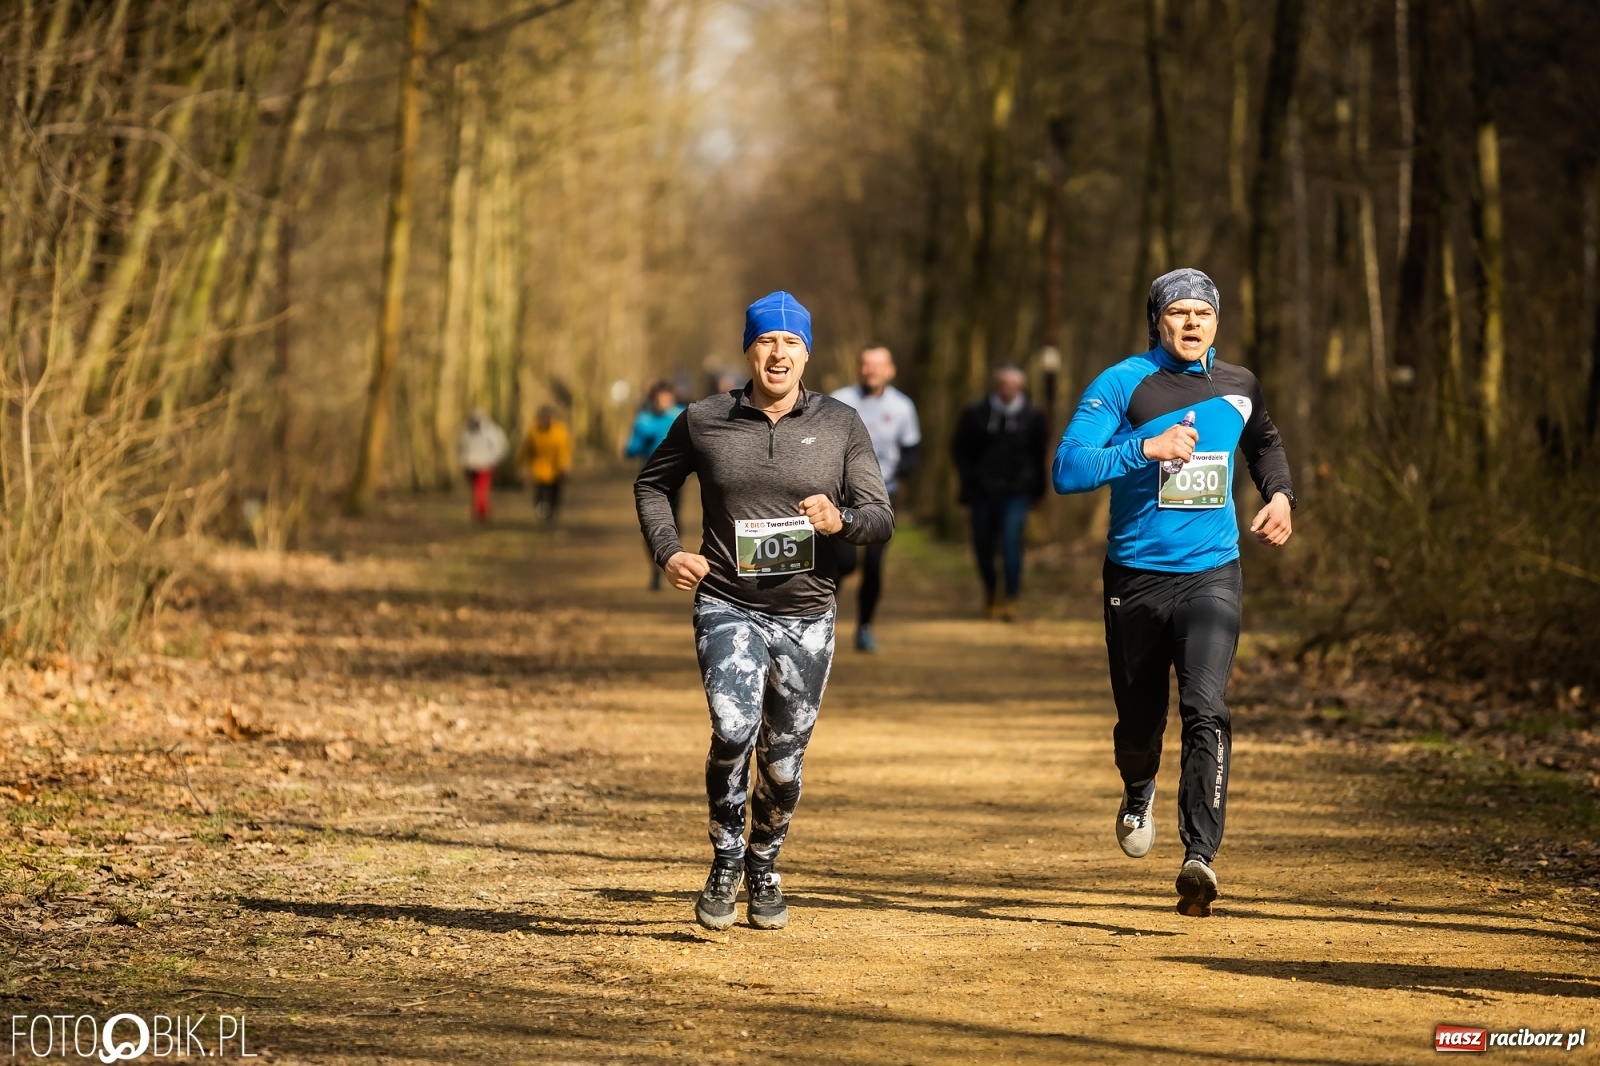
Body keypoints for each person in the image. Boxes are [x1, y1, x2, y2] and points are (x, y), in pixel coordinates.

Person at [634, 291, 893, 931]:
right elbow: (652, 483)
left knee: (782, 759)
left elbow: (881, 516)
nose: (779, 353)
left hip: (807, 612)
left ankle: (764, 863)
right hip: (728, 602)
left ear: (808, 353)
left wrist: (844, 519)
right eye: (767, 341)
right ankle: (725, 857)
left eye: (792, 343)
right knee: (731, 726)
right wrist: (668, 552)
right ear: (750, 349)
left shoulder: (841, 424)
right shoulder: (703, 419)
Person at [1052, 268, 1295, 918]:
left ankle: (1199, 858)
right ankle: (1138, 787)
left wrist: (1281, 496)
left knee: (1205, 708)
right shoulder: (1122, 383)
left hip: (1213, 572)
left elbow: (1264, 442)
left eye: (1203, 313)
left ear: (1217, 321)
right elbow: (1068, 468)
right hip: (1134, 578)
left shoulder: (1239, 384)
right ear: (1157, 320)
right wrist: (1143, 447)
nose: (1192, 323)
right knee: (1139, 721)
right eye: (1178, 312)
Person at [831, 346, 921, 652]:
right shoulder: (839, 400)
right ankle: (822, 620)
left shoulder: (903, 407)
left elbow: (911, 450)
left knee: (874, 565)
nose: (872, 370)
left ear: (890, 370)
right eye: (867, 365)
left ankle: (865, 628)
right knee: (843, 563)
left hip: (883, 495)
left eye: (878, 366)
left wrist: (901, 472)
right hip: (842, 496)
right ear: (859, 368)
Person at [951, 365, 1048, 620]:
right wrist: (969, 480)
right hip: (982, 492)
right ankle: (991, 592)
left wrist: (1039, 490)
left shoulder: (1032, 417)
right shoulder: (975, 414)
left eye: (1014, 385)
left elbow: (1040, 455)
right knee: (983, 545)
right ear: (996, 385)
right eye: (1004, 384)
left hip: (1017, 492)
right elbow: (960, 450)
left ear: (1021, 387)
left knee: (1011, 541)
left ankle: (1011, 597)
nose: (1008, 389)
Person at [625, 382, 688, 589]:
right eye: (658, 398)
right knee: (651, 526)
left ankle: (671, 558)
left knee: (673, 523)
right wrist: (642, 441)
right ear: (653, 399)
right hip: (651, 483)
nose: (662, 402)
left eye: (665, 397)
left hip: (677, 481)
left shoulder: (682, 417)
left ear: (671, 398)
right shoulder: (644, 420)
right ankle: (655, 570)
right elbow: (630, 449)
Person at [519, 406, 572, 522]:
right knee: (540, 495)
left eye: (545, 418)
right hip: (539, 470)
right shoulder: (534, 432)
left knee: (554, 493)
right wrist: (522, 464)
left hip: (556, 470)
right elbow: (527, 450)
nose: (543, 421)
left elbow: (564, 449)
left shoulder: (559, 431)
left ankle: (552, 512)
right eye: (541, 418)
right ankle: (542, 514)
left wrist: (565, 464)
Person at [456, 408, 508, 523]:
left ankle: (480, 513)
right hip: (479, 465)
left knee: (479, 490)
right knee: (480, 490)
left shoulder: (468, 431)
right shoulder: (490, 430)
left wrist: (495, 458)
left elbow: (499, 447)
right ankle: (481, 513)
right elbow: (500, 446)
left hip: (481, 464)